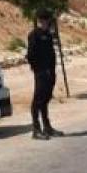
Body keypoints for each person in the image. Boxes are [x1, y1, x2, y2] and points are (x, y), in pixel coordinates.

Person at [27, 8, 64, 140]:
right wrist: (39, 70)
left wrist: (52, 71)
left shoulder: (48, 35)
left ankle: (47, 127)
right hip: (41, 72)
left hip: (50, 72)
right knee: (38, 100)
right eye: (44, 20)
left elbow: (51, 54)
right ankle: (36, 129)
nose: (46, 23)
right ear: (41, 21)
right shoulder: (34, 35)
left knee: (45, 99)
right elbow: (30, 55)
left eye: (47, 20)